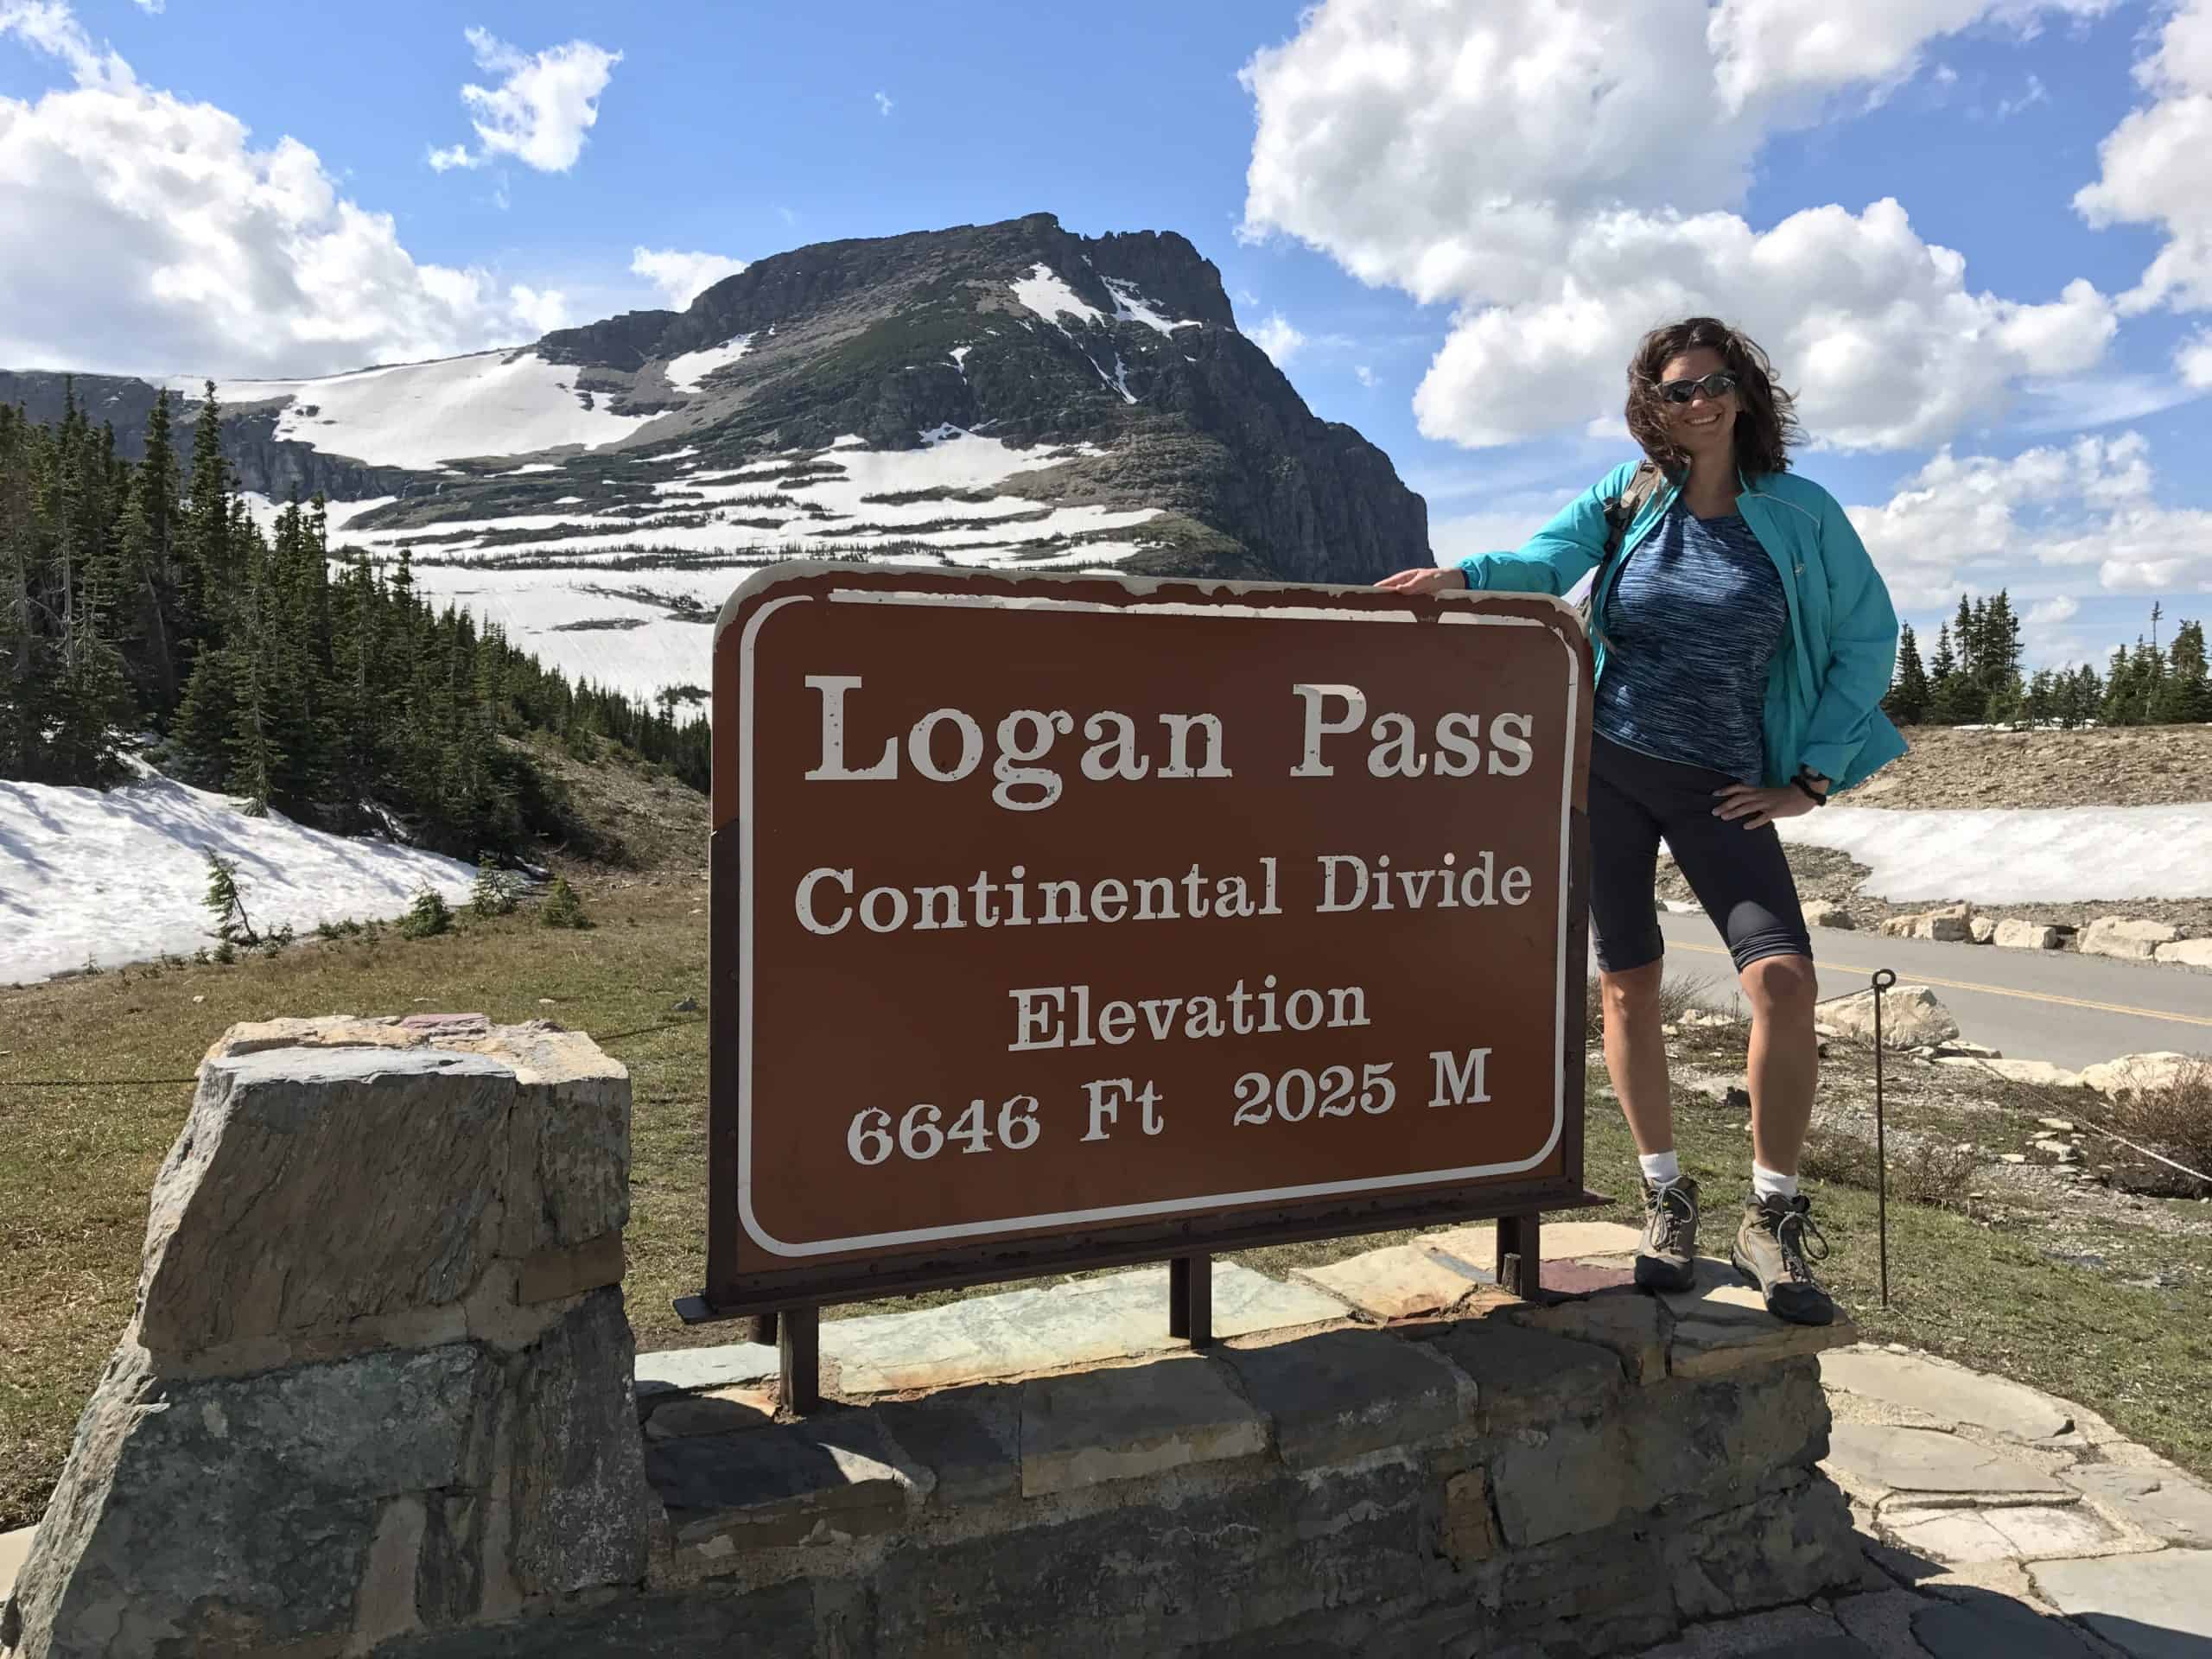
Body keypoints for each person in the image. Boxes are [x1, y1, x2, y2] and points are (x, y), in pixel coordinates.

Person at [1378, 316, 1904, 1325]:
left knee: (1783, 981)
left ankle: (1772, 1213)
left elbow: (1864, 640)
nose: (1696, 401)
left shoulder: (1800, 514)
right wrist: (1461, 579)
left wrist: (1812, 778)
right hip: (1608, 774)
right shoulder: (1627, 496)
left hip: (1723, 788)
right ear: (1651, 404)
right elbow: (1549, 558)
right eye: (1675, 389)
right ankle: (1665, 1194)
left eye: (1714, 383)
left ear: (1745, 394)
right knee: (1626, 987)